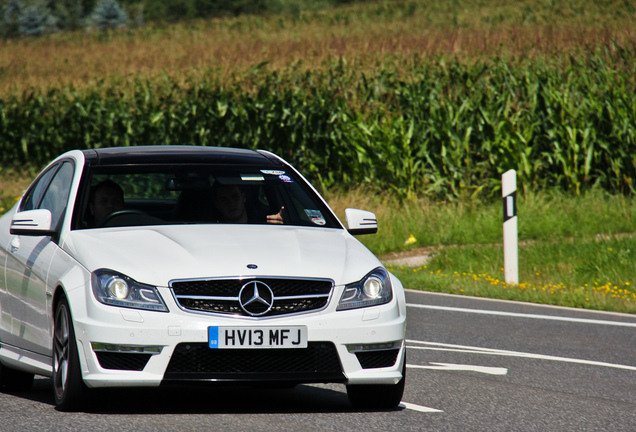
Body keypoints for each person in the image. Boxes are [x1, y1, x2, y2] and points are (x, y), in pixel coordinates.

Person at [211, 182, 283, 224]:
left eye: (235, 197)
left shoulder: (266, 225)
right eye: (224, 200)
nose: (231, 203)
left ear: (244, 197)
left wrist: (281, 223)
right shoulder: (211, 232)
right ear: (217, 204)